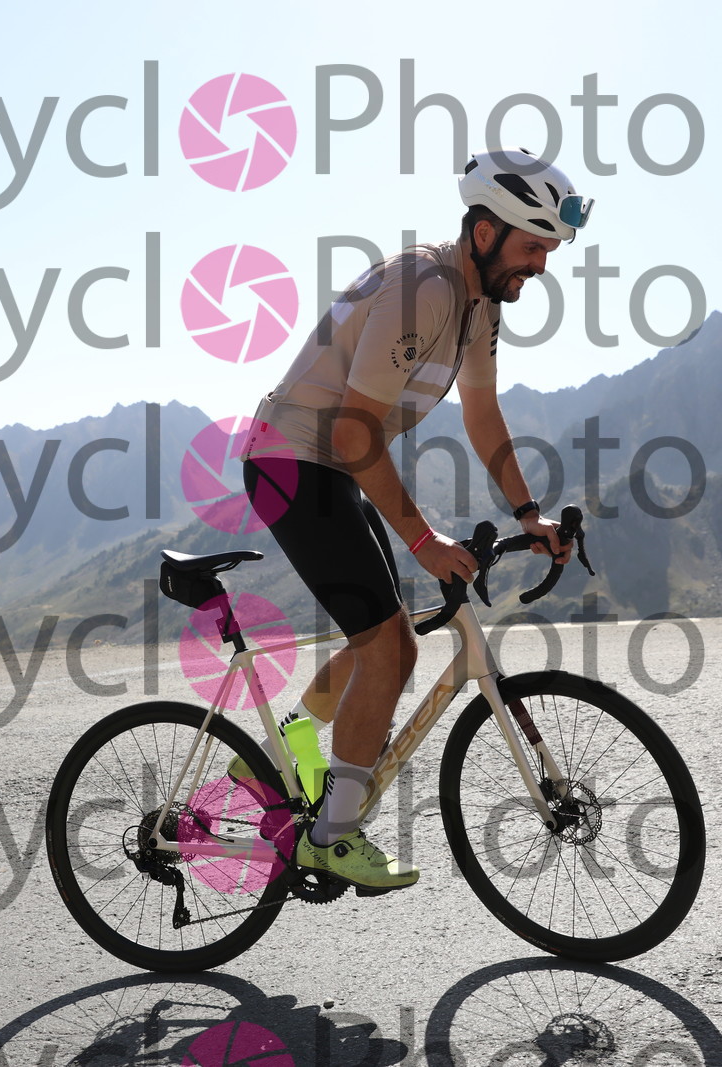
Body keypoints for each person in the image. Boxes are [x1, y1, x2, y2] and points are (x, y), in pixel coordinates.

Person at [238, 148, 592, 892]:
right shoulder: (424, 290)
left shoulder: (479, 307)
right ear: (485, 233)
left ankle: (276, 754)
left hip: (329, 469)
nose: (542, 267)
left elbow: (482, 413)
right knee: (390, 648)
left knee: (385, 632)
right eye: (533, 247)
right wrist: (425, 540)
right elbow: (352, 432)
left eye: (549, 251)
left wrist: (527, 513)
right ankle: (332, 835)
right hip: (292, 461)